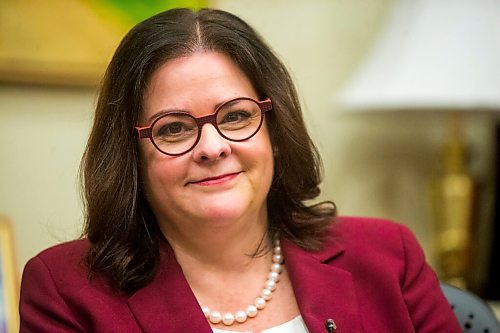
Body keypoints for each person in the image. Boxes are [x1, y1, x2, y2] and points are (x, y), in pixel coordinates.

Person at [19, 8, 461, 333]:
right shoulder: (66, 290)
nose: (213, 147)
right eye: (173, 128)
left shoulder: (389, 256)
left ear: (272, 125)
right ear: (130, 152)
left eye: (234, 116)